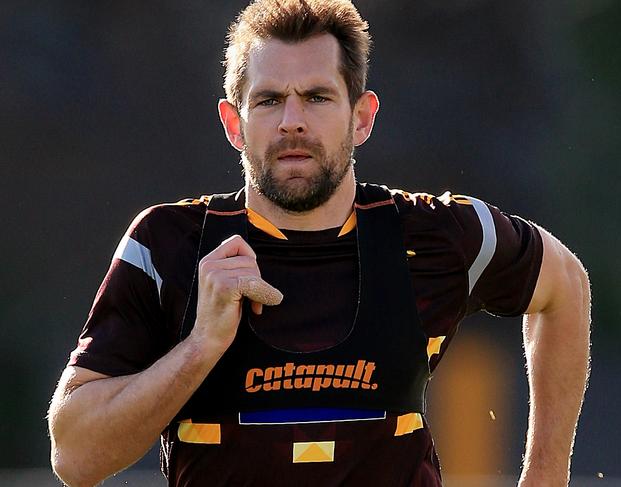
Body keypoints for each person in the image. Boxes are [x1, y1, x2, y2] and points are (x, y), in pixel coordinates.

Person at [48, 0, 591, 486]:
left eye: (316, 97)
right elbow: (74, 457)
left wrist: (545, 475)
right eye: (268, 100)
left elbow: (565, 285)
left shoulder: (431, 234)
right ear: (234, 124)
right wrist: (198, 349)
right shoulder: (169, 245)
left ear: (362, 117)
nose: (292, 122)